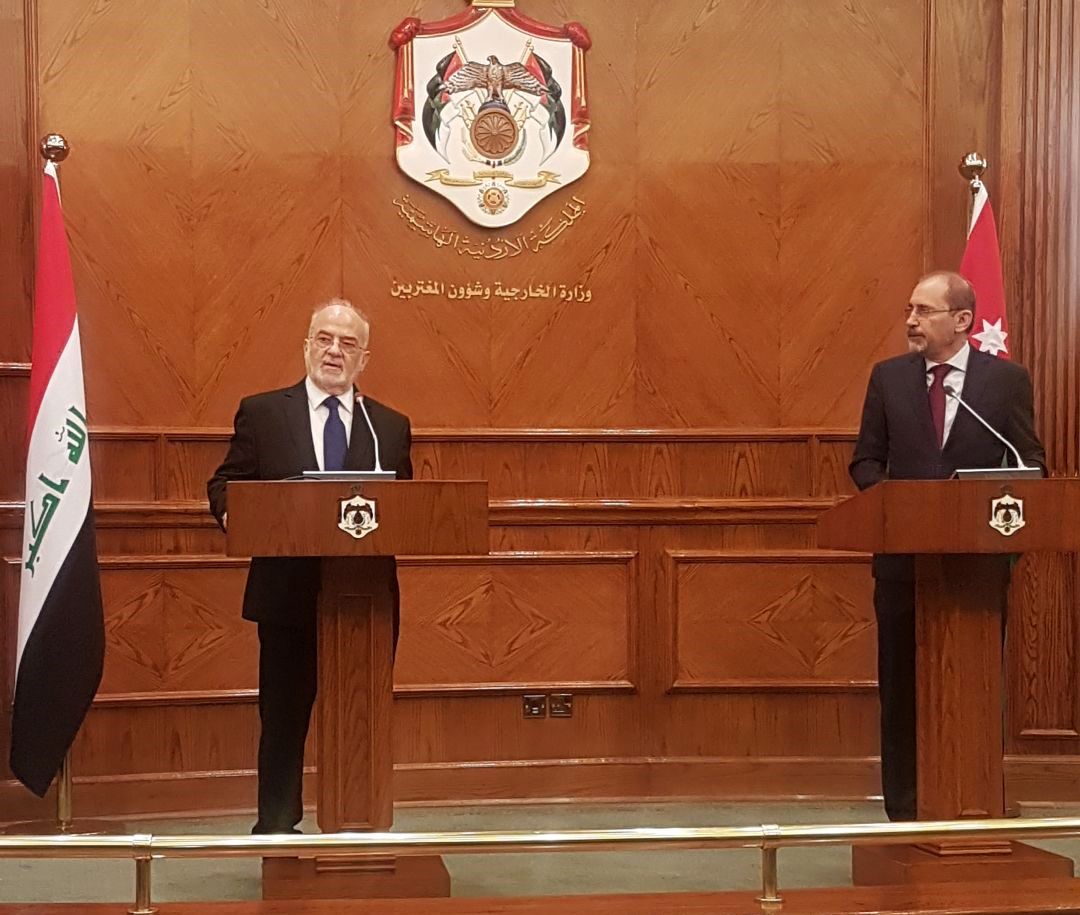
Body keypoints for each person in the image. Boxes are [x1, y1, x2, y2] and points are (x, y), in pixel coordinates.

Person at [207, 298, 412, 834]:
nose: (334, 351)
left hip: (365, 601)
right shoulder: (263, 412)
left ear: (363, 359)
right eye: (325, 338)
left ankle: (358, 823)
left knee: (359, 717)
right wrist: (236, 513)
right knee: (284, 719)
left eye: (348, 344)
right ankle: (275, 830)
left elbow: (407, 506)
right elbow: (224, 483)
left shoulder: (388, 426)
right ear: (307, 345)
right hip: (288, 595)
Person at [848, 270, 1045, 821]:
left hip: (975, 570)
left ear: (962, 321)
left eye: (924, 311)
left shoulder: (1005, 383)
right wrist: (898, 509)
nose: (910, 321)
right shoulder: (888, 379)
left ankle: (974, 802)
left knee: (974, 690)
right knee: (902, 691)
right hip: (902, 566)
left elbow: (1028, 461)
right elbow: (865, 460)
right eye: (909, 310)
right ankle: (905, 815)